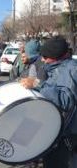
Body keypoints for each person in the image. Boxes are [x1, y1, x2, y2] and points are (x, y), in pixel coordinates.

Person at [21, 36, 77, 168]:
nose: (42, 59)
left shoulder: (70, 69)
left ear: (56, 57)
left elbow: (65, 100)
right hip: (58, 128)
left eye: (45, 57)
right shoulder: (58, 68)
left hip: (67, 133)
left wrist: (37, 84)